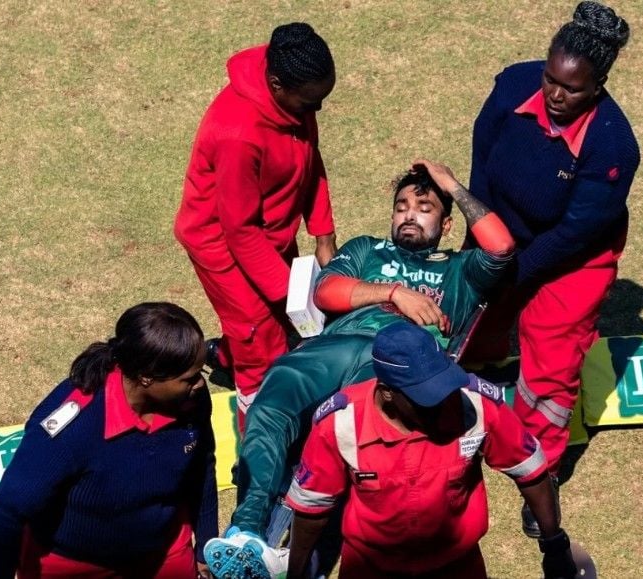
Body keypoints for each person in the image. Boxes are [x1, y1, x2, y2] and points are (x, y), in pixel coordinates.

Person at [202, 159, 515, 578]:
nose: (409, 214)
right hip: (334, 348)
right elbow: (327, 291)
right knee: (271, 402)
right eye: (401, 205)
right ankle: (246, 529)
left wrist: (450, 184)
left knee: (342, 431)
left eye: (424, 207)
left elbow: (501, 248)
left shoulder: (461, 270)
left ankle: (287, 553)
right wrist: (393, 293)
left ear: (448, 224)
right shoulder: (367, 248)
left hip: (397, 368)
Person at [461, 1, 640, 537]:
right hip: (507, 230)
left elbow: (576, 233)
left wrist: (517, 271)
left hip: (574, 262)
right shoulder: (513, 85)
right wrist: (485, 233)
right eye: (550, 81)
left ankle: (541, 468)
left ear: (599, 85)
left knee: (550, 365)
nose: (556, 96)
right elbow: (483, 153)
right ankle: (480, 380)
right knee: (473, 317)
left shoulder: (612, 145)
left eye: (573, 89)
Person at [286, 321, 576, 579]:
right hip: (370, 567)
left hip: (458, 566)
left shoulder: (474, 405)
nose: (442, 402)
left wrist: (554, 544)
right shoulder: (339, 423)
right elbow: (313, 510)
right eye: (425, 396)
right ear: (387, 392)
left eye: (444, 386)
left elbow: (530, 469)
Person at [174, 22, 338, 433]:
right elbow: (240, 230)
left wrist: (323, 233)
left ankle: (228, 352)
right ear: (278, 85)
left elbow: (309, 159)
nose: (315, 113)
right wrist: (292, 296)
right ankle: (259, 451)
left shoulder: (295, 101)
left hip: (269, 234)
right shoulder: (238, 134)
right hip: (225, 246)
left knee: (284, 326)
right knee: (261, 346)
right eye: (310, 103)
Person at [0, 302, 218, 579]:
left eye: (200, 373)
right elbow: (7, 514)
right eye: (188, 379)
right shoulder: (74, 424)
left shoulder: (191, 400)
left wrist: (205, 547)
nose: (201, 385)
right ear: (146, 377)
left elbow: (201, 468)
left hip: (164, 552)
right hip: (74, 566)